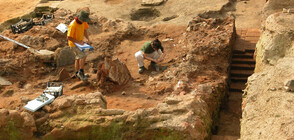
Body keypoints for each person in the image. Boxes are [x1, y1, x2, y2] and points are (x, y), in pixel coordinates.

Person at [67, 9, 91, 80]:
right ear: (80, 18)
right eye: (84, 20)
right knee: (83, 55)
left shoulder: (83, 22)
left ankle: (77, 73)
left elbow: (85, 30)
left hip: (79, 42)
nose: (84, 21)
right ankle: (81, 72)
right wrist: (79, 42)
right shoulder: (73, 25)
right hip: (73, 44)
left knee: (78, 58)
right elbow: (69, 37)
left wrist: (87, 39)